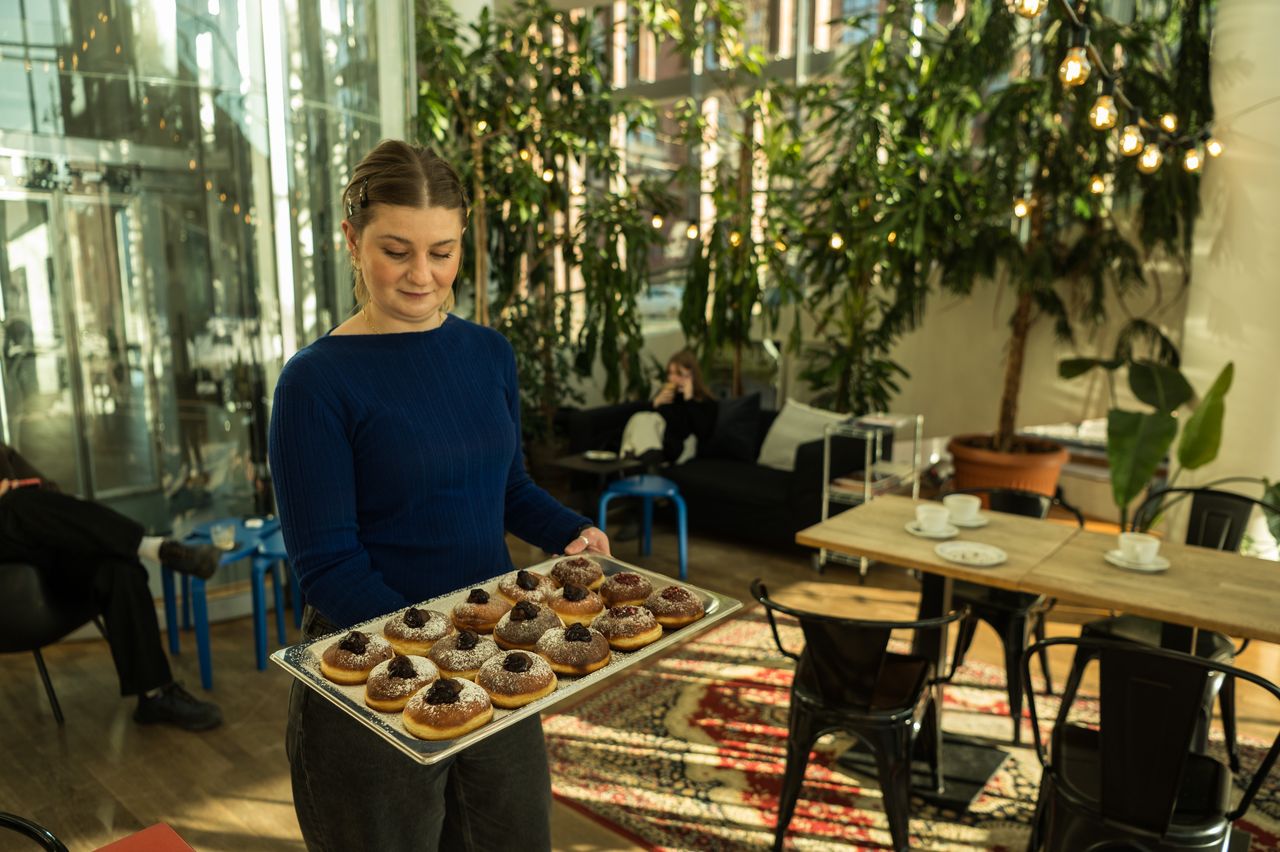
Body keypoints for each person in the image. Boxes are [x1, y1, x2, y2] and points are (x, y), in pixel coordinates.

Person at [267, 139, 610, 851]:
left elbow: (507, 487)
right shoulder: (316, 382)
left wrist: (570, 531)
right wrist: (445, 650)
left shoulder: (488, 353)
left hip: (495, 654)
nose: (422, 275)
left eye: (442, 252)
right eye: (396, 251)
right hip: (371, 670)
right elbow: (328, 566)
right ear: (352, 240)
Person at [0, 443, 225, 731]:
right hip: (10, 585)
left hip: (45, 559)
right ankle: (155, 547)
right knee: (13, 505)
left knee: (119, 568)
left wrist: (25, 489)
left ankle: (154, 695)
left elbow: (50, 490)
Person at [621, 348, 717, 467]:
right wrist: (656, 403)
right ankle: (649, 464)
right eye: (670, 373)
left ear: (692, 375)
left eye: (678, 374)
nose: (672, 378)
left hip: (682, 446)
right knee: (642, 418)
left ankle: (634, 462)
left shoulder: (706, 401)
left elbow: (703, 432)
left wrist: (689, 399)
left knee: (647, 421)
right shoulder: (667, 396)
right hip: (658, 444)